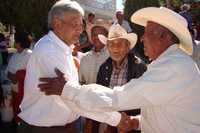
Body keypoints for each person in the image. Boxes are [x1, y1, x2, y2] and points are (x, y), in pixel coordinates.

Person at [39, 7, 200, 133]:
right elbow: (163, 113)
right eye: (111, 44)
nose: (143, 38)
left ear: (164, 37)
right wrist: (137, 122)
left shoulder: (172, 67)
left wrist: (68, 90)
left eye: (147, 32)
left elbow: (119, 97)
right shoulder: (170, 64)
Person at [19, 1, 130, 133]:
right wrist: (116, 119)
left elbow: (72, 92)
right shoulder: (49, 51)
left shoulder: (63, 49)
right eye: (75, 24)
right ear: (57, 23)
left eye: (81, 24)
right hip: (45, 129)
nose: (80, 29)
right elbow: (69, 96)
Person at [96, 24, 146, 133]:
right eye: (111, 44)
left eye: (120, 43)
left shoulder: (139, 67)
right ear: (107, 47)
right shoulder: (104, 67)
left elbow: (144, 102)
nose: (115, 48)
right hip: (108, 123)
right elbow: (99, 97)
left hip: (130, 125)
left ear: (127, 47)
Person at [6, 31, 32, 123]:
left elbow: (32, 73)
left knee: (25, 114)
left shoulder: (30, 55)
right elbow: (8, 71)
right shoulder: (14, 55)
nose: (14, 43)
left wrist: (18, 76)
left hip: (25, 92)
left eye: (15, 41)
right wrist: (11, 76)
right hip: (15, 90)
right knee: (16, 111)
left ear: (19, 42)